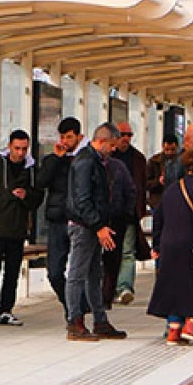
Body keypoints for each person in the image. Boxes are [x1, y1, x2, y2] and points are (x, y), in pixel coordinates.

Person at [147, 147, 193, 345]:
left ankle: (174, 331)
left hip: (169, 243)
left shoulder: (172, 188)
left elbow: (158, 218)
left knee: (174, 285)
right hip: (191, 243)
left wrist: (156, 244)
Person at [0, 129, 44, 326]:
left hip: (17, 227)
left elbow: (38, 197)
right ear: (9, 146)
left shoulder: (30, 170)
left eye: (24, 149)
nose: (20, 153)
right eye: (17, 148)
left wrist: (26, 197)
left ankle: (5, 309)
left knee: (12, 271)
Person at [65, 123, 128, 342]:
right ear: (101, 141)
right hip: (84, 227)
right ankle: (74, 321)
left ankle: (99, 320)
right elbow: (83, 200)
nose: (113, 150)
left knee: (94, 274)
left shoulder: (97, 161)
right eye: (111, 145)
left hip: (92, 225)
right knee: (77, 274)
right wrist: (98, 226)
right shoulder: (86, 162)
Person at [35, 117, 84, 320]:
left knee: (81, 270)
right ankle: (70, 303)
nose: (65, 141)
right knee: (54, 271)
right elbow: (40, 182)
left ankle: (77, 311)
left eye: (70, 137)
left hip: (80, 220)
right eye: (63, 136)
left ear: (79, 137)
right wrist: (56, 159)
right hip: (57, 220)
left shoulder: (85, 159)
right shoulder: (52, 159)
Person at [112, 121, 149, 305]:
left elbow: (142, 186)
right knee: (109, 252)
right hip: (109, 214)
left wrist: (139, 210)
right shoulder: (106, 157)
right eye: (122, 134)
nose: (125, 138)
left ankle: (125, 287)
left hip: (130, 214)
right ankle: (109, 288)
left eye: (129, 135)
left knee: (127, 252)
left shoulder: (138, 159)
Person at [101, 151, 136, 309]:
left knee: (117, 257)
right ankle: (101, 295)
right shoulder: (88, 164)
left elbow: (131, 191)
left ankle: (114, 292)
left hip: (118, 220)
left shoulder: (120, 166)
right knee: (100, 260)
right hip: (96, 221)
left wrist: (126, 214)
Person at [146, 136, 180, 213]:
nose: (169, 152)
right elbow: (145, 183)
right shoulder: (153, 161)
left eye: (172, 150)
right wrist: (157, 182)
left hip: (175, 201)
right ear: (162, 147)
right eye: (167, 150)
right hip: (158, 202)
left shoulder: (181, 162)